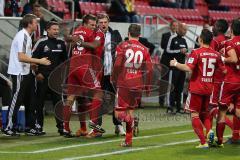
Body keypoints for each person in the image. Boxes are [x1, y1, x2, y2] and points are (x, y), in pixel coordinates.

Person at [170, 29, 224, 148]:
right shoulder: (217, 54)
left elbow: (188, 68)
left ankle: (203, 142)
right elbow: (223, 70)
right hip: (209, 89)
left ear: (200, 39)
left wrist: (175, 63)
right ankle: (209, 131)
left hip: (196, 89)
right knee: (204, 114)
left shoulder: (196, 52)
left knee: (194, 114)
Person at [3, 14, 51, 136]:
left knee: (31, 100)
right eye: (35, 22)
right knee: (16, 99)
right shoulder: (23, 36)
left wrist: (32, 66)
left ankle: (30, 127)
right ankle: (8, 127)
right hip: (19, 72)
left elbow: (25, 56)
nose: (37, 24)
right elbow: (21, 57)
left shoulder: (27, 36)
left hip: (26, 72)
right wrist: (39, 61)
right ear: (29, 24)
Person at [62, 14, 104, 138]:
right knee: (98, 94)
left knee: (72, 98)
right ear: (85, 24)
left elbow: (68, 40)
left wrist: (68, 36)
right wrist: (79, 41)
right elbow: (94, 45)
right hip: (84, 67)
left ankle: (67, 128)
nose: (94, 26)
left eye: (95, 24)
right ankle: (95, 128)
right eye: (92, 24)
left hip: (73, 67)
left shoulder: (76, 31)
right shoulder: (93, 33)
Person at [112, 24, 153, 147]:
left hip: (124, 83)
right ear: (140, 35)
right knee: (130, 110)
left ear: (128, 33)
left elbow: (118, 65)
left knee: (118, 114)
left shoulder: (122, 46)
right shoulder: (145, 49)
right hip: (138, 84)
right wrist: (148, 87)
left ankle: (132, 121)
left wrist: (113, 78)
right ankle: (128, 141)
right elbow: (150, 70)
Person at [32, 21, 68, 135]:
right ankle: (38, 127)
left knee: (58, 103)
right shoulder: (41, 43)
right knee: (39, 103)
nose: (56, 31)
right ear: (47, 30)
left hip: (56, 79)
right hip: (42, 78)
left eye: (57, 29)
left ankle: (61, 127)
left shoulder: (61, 43)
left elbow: (65, 62)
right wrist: (37, 73)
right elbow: (32, 59)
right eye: (54, 29)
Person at [96, 14, 126, 136]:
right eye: (101, 22)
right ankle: (97, 127)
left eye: (105, 22)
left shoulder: (115, 34)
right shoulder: (94, 36)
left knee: (115, 100)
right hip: (99, 73)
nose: (103, 24)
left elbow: (121, 51)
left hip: (113, 73)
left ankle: (118, 125)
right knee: (98, 100)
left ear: (108, 22)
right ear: (98, 23)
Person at [217, 19, 240, 146]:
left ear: (231, 30)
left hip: (230, 81)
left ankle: (219, 141)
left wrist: (221, 57)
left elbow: (234, 58)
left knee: (221, 110)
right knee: (238, 109)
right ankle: (236, 136)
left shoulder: (229, 43)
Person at [166, 23, 188, 114]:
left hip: (182, 67)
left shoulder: (184, 40)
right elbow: (167, 50)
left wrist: (186, 52)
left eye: (186, 30)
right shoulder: (172, 38)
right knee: (172, 87)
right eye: (184, 29)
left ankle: (179, 107)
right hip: (174, 67)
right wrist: (179, 51)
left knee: (180, 88)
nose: (185, 32)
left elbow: (186, 51)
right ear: (179, 28)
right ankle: (170, 106)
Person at [159, 20, 178, 108]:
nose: (175, 27)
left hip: (175, 62)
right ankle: (161, 101)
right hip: (165, 61)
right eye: (173, 25)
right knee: (164, 81)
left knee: (174, 81)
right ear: (170, 26)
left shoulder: (179, 37)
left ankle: (172, 101)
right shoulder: (165, 35)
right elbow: (163, 46)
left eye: (176, 26)